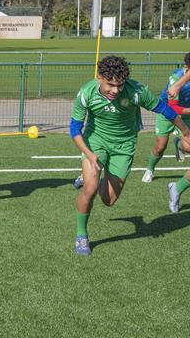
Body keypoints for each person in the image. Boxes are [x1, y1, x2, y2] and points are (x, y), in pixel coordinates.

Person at [70, 55, 190, 255]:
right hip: (95, 142)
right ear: (99, 76)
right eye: (110, 85)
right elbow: (74, 128)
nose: (115, 91)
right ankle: (82, 235)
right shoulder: (86, 92)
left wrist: (186, 131)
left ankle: (93, 178)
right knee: (90, 189)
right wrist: (89, 155)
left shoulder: (137, 91)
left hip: (124, 146)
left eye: (120, 85)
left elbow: (164, 109)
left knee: (109, 201)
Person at [143, 52, 190, 183]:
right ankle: (150, 169)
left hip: (186, 114)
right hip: (167, 112)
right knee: (160, 146)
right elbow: (173, 109)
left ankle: (179, 145)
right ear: (187, 67)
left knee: (188, 146)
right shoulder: (176, 78)